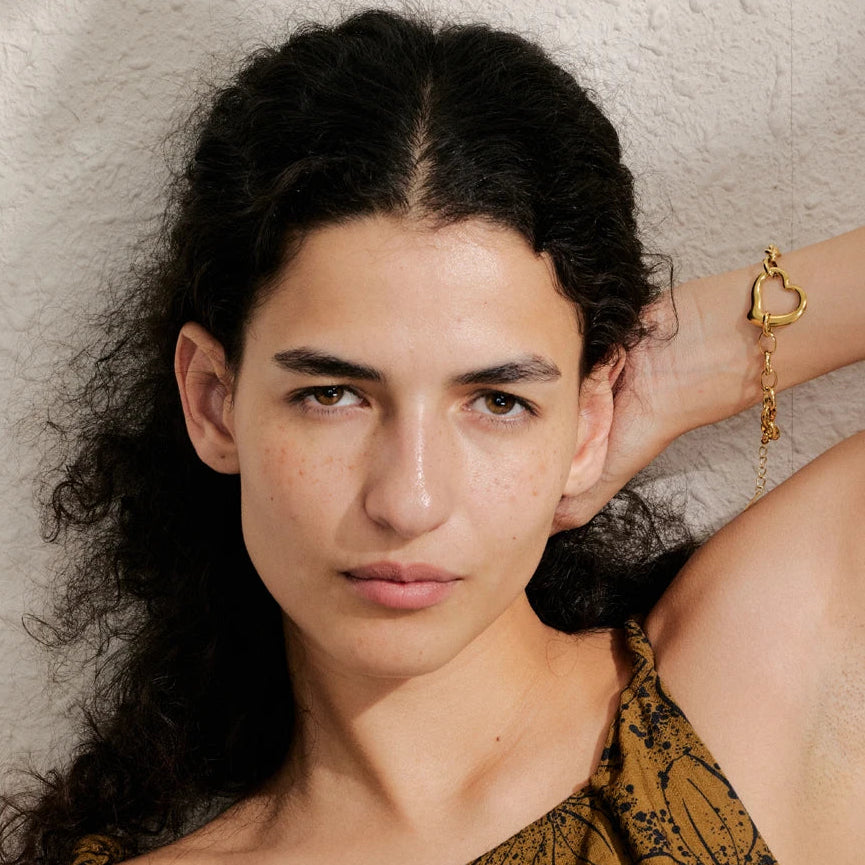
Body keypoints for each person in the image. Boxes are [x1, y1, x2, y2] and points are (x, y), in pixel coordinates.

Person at [1, 9, 863, 865]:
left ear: (588, 417)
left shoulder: (748, 686)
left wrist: (684, 361)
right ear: (213, 401)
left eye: (497, 400)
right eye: (333, 394)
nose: (408, 501)